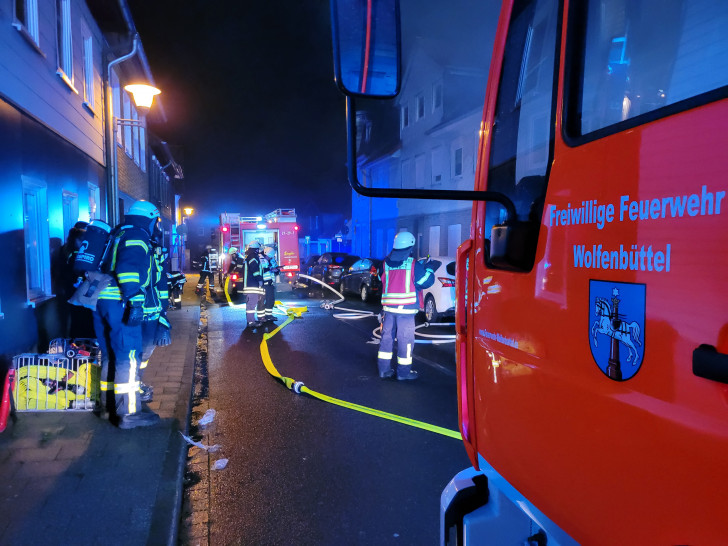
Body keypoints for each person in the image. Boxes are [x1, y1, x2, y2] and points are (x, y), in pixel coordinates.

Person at [93, 200, 163, 429]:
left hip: (100, 302)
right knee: (129, 358)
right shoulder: (137, 235)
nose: (155, 226)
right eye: (155, 221)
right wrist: (135, 299)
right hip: (120, 303)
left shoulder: (117, 233)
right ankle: (129, 414)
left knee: (110, 356)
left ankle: (107, 407)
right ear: (150, 219)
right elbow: (129, 269)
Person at [377, 231, 435, 381]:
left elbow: (380, 277)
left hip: (388, 311)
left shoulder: (384, 263)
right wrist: (429, 268)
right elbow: (426, 282)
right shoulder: (413, 264)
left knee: (386, 340)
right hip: (406, 313)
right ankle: (403, 373)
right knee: (405, 342)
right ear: (410, 247)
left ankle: (383, 370)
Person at [138, 232, 173, 403]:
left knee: (144, 351)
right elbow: (157, 281)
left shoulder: (153, 254)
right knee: (142, 350)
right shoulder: (146, 253)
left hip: (147, 310)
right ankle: (134, 385)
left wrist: (163, 309)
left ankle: (136, 382)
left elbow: (161, 282)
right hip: (143, 311)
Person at [56, 221, 95, 338]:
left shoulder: (65, 250)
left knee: (77, 320)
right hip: (79, 291)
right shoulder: (77, 253)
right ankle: (83, 346)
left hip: (71, 292)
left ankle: (77, 345)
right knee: (84, 321)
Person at [241, 241, 265, 329]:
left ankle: (251, 320)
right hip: (252, 285)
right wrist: (259, 279)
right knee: (251, 304)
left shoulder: (250, 256)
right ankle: (251, 322)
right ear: (256, 249)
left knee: (251, 303)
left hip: (251, 284)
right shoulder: (253, 256)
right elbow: (254, 269)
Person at [258, 246, 280, 323]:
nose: (270, 258)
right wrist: (270, 269)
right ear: (265, 254)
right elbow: (261, 270)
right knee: (261, 301)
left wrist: (277, 269)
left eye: (271, 257)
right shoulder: (260, 259)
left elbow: (276, 271)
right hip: (263, 283)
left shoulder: (271, 259)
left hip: (270, 284)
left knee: (270, 300)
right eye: (269, 257)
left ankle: (269, 316)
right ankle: (261, 317)